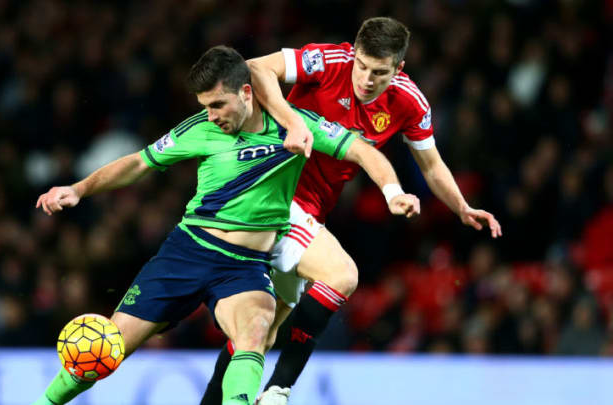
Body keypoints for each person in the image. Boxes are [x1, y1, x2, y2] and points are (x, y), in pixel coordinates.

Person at [32, 45, 420, 405]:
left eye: (218, 104)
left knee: (255, 332)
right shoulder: (200, 128)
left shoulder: (299, 127)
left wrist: (391, 192)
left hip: (243, 267)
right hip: (187, 252)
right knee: (102, 352)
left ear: (248, 93)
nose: (212, 115)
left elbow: (362, 151)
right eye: (205, 106)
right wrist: (79, 189)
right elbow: (139, 162)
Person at [199, 17, 503, 405]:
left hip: (309, 212)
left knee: (259, 330)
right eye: (361, 65)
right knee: (342, 275)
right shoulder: (328, 61)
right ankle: (278, 390)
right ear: (353, 53)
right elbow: (255, 68)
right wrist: (290, 120)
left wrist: (461, 207)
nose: (366, 79)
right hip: (271, 193)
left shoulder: (409, 103)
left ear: (399, 69)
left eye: (379, 72)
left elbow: (431, 164)